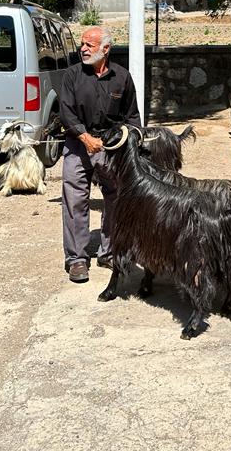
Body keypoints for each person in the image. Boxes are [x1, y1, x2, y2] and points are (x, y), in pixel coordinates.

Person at [58, 26, 141, 283]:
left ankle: (109, 251)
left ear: (105, 49)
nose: (83, 48)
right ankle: (77, 259)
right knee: (74, 201)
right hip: (77, 145)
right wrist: (85, 137)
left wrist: (129, 144)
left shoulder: (122, 77)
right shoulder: (72, 75)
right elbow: (66, 113)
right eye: (82, 44)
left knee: (116, 200)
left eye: (89, 45)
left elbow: (132, 117)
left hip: (111, 149)